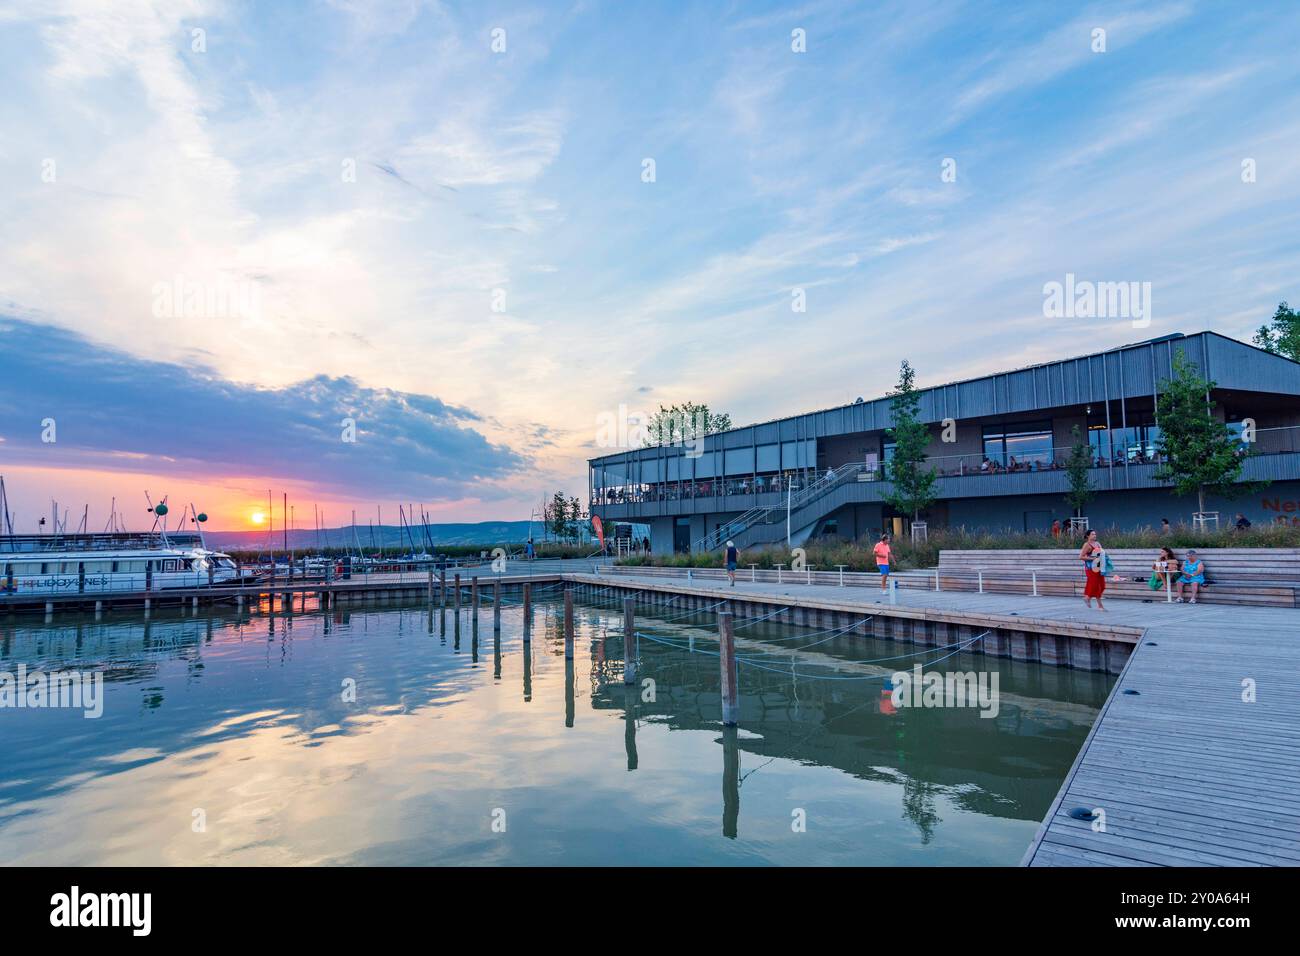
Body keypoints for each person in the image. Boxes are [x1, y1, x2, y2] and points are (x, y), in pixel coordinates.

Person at [1083, 541, 1107, 610]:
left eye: (1095, 534)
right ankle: (1100, 605)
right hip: (1091, 568)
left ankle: (1088, 598)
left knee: (1102, 586)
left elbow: (1101, 553)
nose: (1094, 535)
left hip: (1099, 567)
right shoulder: (1087, 545)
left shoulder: (1098, 543)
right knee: (1096, 586)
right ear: (1088, 535)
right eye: (1092, 534)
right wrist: (1092, 558)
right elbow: (1081, 556)